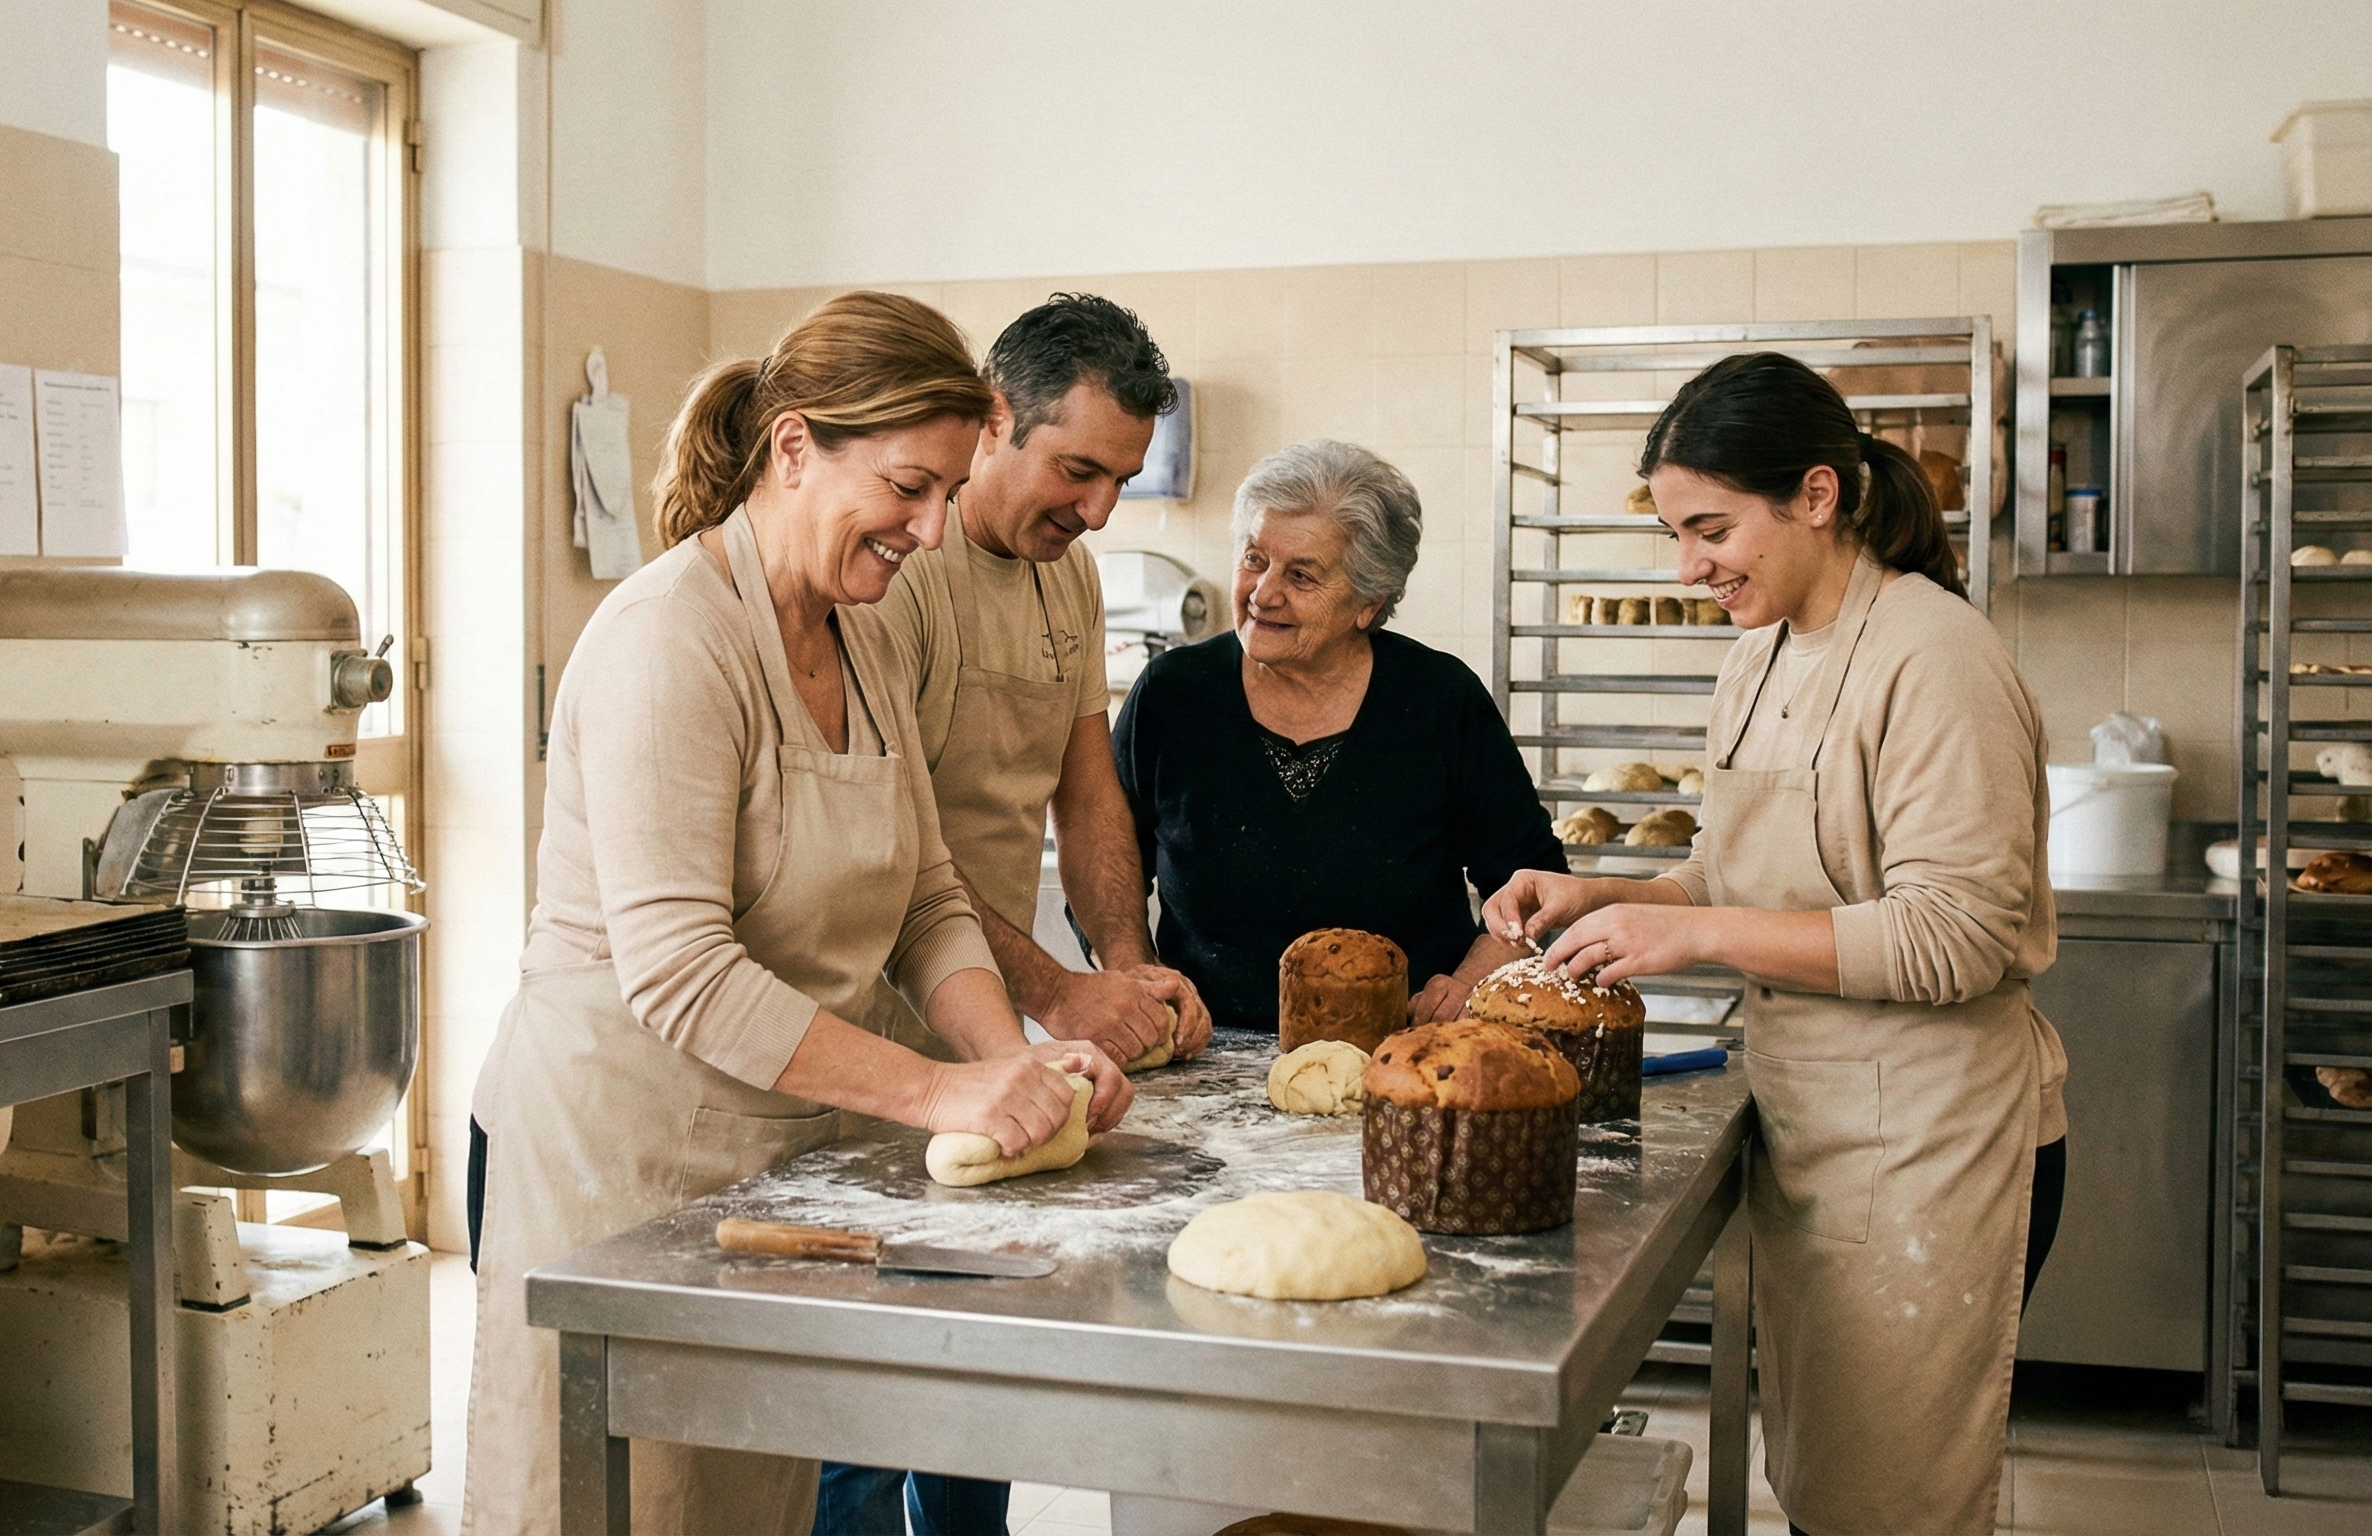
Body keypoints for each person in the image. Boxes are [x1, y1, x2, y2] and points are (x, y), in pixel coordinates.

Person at [462, 291, 1133, 1536]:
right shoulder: (670, 639)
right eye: (907, 488)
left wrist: (1014, 1067)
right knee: (625, 1506)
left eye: (945, 493)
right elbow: (680, 971)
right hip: (617, 1169)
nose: (929, 531)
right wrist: (939, 1093)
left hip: (763, 1165)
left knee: (750, 1503)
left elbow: (927, 897)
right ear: (791, 449)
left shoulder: (857, 635)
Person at [1481, 352, 2069, 1536]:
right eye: (1673, 535)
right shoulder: (1756, 654)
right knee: (1822, 1489)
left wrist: (1688, 930)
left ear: (1814, 495)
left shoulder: (1933, 657)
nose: (1688, 567)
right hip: (1812, 1123)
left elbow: (1954, 936)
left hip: (1928, 1141)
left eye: (1710, 530)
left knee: (1888, 1508)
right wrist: (1598, 894)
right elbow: (1736, 870)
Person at [815, 300, 1211, 1536]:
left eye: (1120, 478)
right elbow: (898, 859)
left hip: (983, 1023)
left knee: (980, 1349)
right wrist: (1056, 995)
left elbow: (1085, 789)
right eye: (1077, 470)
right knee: (865, 1386)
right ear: (995, 420)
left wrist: (1124, 971)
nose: (1097, 509)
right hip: (868, 1029)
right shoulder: (896, 579)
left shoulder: (1068, 575)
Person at [1113, 439, 1567, 1035]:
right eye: (1254, 558)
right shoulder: (1173, 694)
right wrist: (1139, 975)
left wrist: (1468, 985)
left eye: (1301, 575)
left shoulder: (1439, 700)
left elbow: (1532, 882)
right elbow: (1106, 857)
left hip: (1404, 1052)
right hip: (1203, 1050)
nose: (1263, 592)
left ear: (1367, 604)